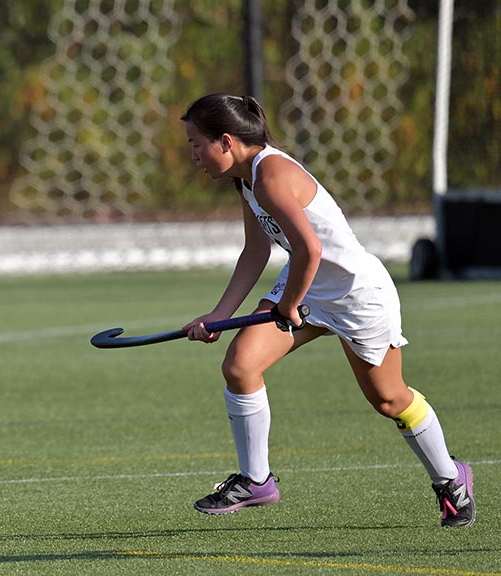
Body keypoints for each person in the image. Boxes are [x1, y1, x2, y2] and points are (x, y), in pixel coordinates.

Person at [178, 93, 475, 527]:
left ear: (225, 141)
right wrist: (219, 316)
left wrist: (288, 305)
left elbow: (310, 249)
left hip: (356, 293)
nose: (193, 156)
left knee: (390, 399)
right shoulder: (245, 180)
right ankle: (256, 480)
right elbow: (255, 251)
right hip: (308, 285)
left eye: (195, 144)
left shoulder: (272, 175)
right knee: (241, 365)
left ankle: (451, 479)